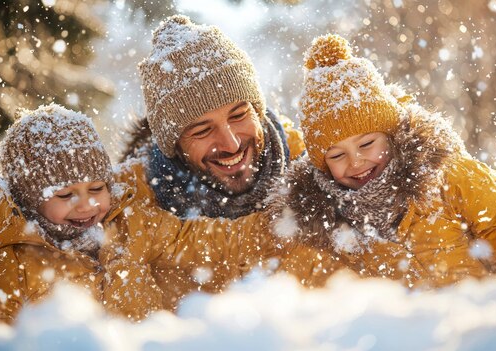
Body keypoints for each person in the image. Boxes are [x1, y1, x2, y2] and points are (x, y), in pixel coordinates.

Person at [266, 34, 496, 291]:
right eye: (336, 155)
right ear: (322, 165)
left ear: (392, 135)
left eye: (367, 143)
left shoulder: (451, 178)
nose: (356, 161)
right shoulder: (325, 228)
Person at [119, 15, 344, 309]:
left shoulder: (328, 174)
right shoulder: (130, 212)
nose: (231, 144)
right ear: (173, 144)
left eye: (238, 115)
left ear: (257, 110)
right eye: (202, 130)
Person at [0, 104, 165, 333]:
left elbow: (191, 239)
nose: (86, 205)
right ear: (31, 201)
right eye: (66, 195)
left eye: (97, 188)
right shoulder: (9, 262)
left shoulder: (129, 226)